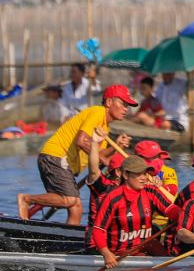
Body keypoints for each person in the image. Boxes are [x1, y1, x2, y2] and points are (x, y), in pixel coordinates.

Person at [17, 84, 138, 223]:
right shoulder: (98, 112)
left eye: (127, 106)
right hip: (56, 155)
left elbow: (98, 154)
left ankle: (67, 240)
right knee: (70, 199)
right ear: (109, 102)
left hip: (63, 163)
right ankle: (26, 199)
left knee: (76, 206)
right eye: (123, 104)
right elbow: (82, 141)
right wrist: (103, 158)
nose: (125, 109)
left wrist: (117, 146)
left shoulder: (105, 127)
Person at [86, 154, 175, 267]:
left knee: (162, 255)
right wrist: (106, 253)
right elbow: (98, 230)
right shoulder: (113, 198)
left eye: (145, 173)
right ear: (125, 174)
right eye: (138, 174)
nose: (144, 178)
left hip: (145, 247)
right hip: (117, 254)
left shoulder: (151, 191)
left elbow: (172, 210)